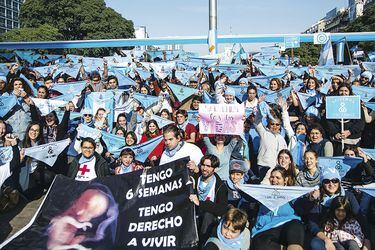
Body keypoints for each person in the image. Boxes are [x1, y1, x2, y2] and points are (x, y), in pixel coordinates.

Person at [251, 167, 310, 250]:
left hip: (287, 226)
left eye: (278, 178)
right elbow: (249, 196)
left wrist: (311, 199)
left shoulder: (292, 194)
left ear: (285, 180)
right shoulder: (263, 193)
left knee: (296, 225)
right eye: (272, 177)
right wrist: (239, 188)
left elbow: (303, 209)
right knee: (259, 243)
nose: (274, 180)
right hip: (267, 228)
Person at [47, 183, 118, 250]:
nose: (85, 216)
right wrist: (78, 224)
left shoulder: (78, 220)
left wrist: (77, 240)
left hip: (62, 241)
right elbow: (64, 219)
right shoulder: (68, 212)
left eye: (91, 215)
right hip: (57, 235)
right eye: (85, 204)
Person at [189, 154, 228, 246]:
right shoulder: (195, 178)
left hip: (209, 220)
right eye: (203, 165)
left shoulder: (220, 186)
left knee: (208, 215)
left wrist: (201, 203)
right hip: (194, 215)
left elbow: (222, 209)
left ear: (215, 168)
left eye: (208, 166)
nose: (204, 168)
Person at [326, 83, 365, 155]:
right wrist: (335, 132)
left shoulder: (356, 103)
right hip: (337, 140)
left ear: (349, 92)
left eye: (346, 91)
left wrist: (349, 131)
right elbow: (328, 121)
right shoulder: (332, 103)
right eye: (341, 90)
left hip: (352, 140)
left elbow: (361, 122)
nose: (343, 93)